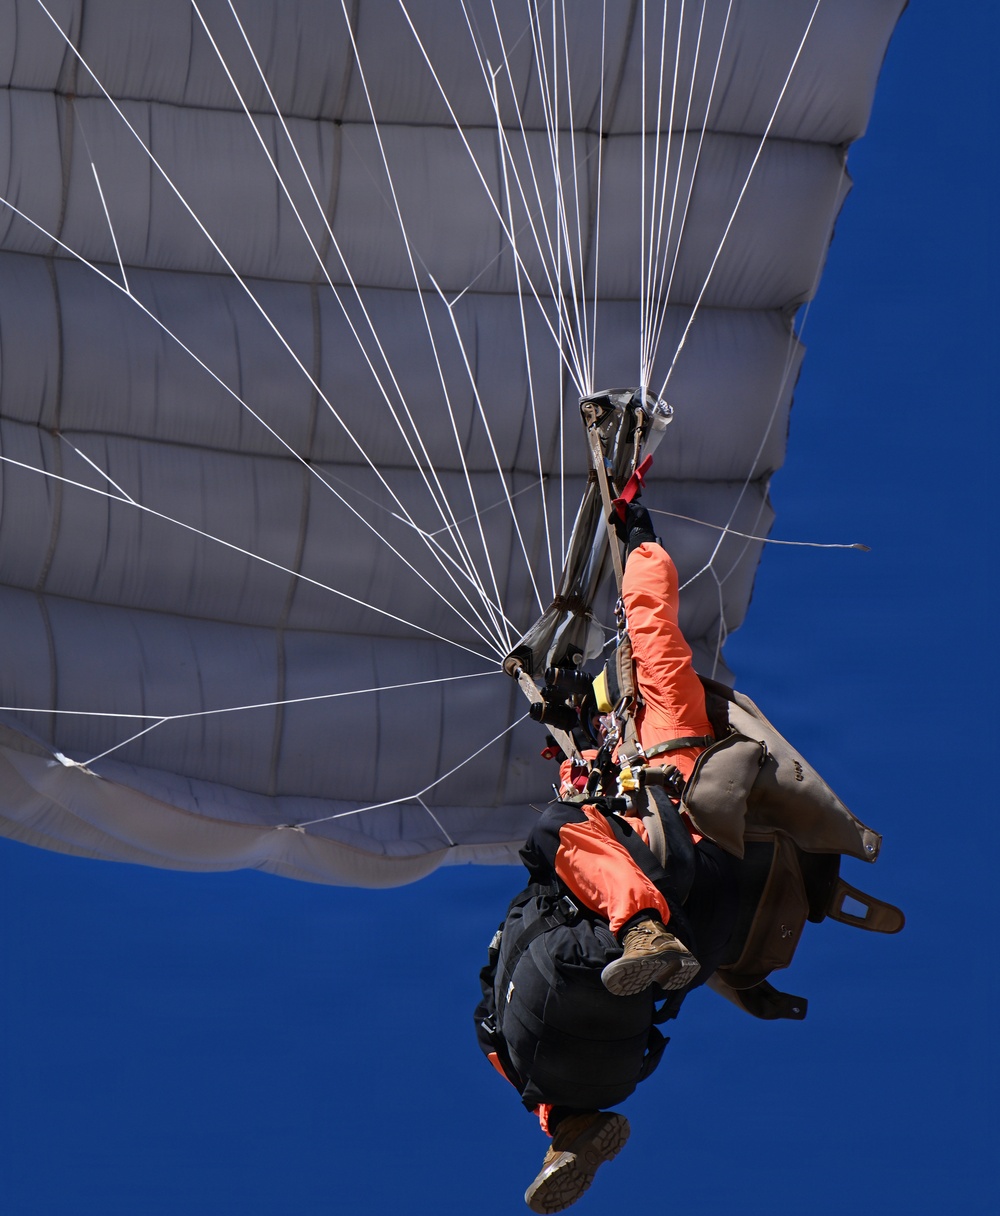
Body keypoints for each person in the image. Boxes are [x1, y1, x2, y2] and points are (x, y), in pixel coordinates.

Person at [476, 503, 744, 1214]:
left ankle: (639, 935)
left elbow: (651, 619)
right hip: (691, 914)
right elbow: (574, 747)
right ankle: (569, 1128)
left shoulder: (669, 718)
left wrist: (638, 541)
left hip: (680, 869)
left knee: (555, 835)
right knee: (498, 1014)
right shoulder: (596, 762)